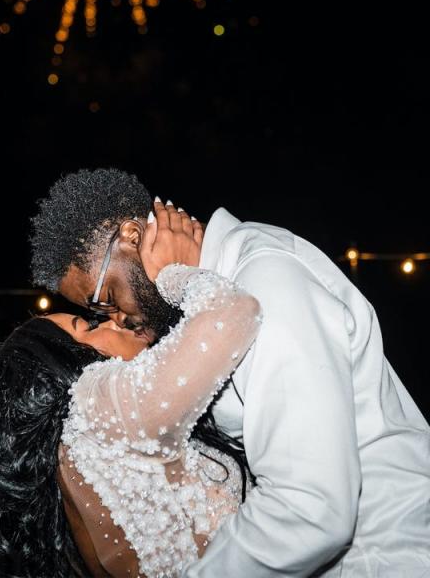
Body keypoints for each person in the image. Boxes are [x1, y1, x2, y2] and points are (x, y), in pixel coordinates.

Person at [30, 167, 430, 576]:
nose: (116, 320)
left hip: (386, 556)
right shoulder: (214, 300)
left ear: (132, 237)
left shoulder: (264, 277)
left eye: (106, 299)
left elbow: (310, 508)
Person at [0, 201, 261, 577]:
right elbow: (234, 311)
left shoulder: (85, 443)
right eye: (91, 327)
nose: (115, 322)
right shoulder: (97, 404)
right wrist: (174, 272)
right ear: (69, 370)